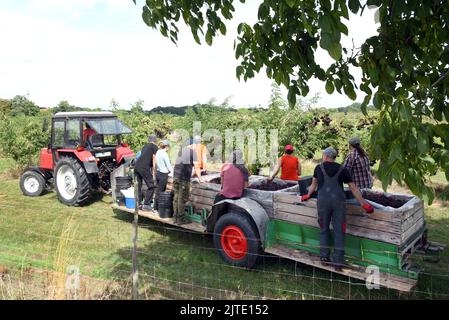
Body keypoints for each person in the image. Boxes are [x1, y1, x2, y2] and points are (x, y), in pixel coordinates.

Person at [301, 147, 374, 271]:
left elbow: (314, 184)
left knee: (323, 229)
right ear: (334, 157)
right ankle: (338, 263)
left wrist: (308, 195)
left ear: (325, 156)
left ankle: (324, 257)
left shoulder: (319, 168)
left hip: (323, 203)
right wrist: (363, 203)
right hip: (338, 203)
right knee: (339, 231)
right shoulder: (343, 169)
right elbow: (353, 188)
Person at [172, 139, 203, 224]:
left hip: (176, 176)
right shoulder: (193, 152)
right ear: (192, 145)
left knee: (176, 198)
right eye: (195, 145)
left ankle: (175, 218)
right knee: (182, 199)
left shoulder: (181, 151)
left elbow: (183, 164)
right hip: (183, 178)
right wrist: (200, 179)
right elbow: (196, 167)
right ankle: (181, 219)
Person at [134, 135, 158, 211]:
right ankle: (146, 204)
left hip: (136, 166)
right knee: (151, 186)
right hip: (144, 167)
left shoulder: (145, 146)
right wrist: (154, 171)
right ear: (155, 140)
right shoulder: (154, 147)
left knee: (138, 186)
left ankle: (139, 204)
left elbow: (145, 156)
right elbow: (154, 158)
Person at [154, 140, 173, 211]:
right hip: (163, 174)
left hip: (158, 173)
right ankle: (157, 208)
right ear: (167, 146)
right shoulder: (165, 154)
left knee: (158, 190)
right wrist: (173, 173)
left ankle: (156, 207)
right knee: (161, 192)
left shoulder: (158, 152)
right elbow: (168, 165)